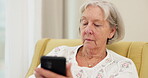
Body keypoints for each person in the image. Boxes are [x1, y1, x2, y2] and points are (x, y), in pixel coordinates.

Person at [29, 0, 139, 78]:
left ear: (111, 32)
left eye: (96, 25)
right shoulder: (60, 52)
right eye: (84, 23)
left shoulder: (123, 67)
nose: (87, 30)